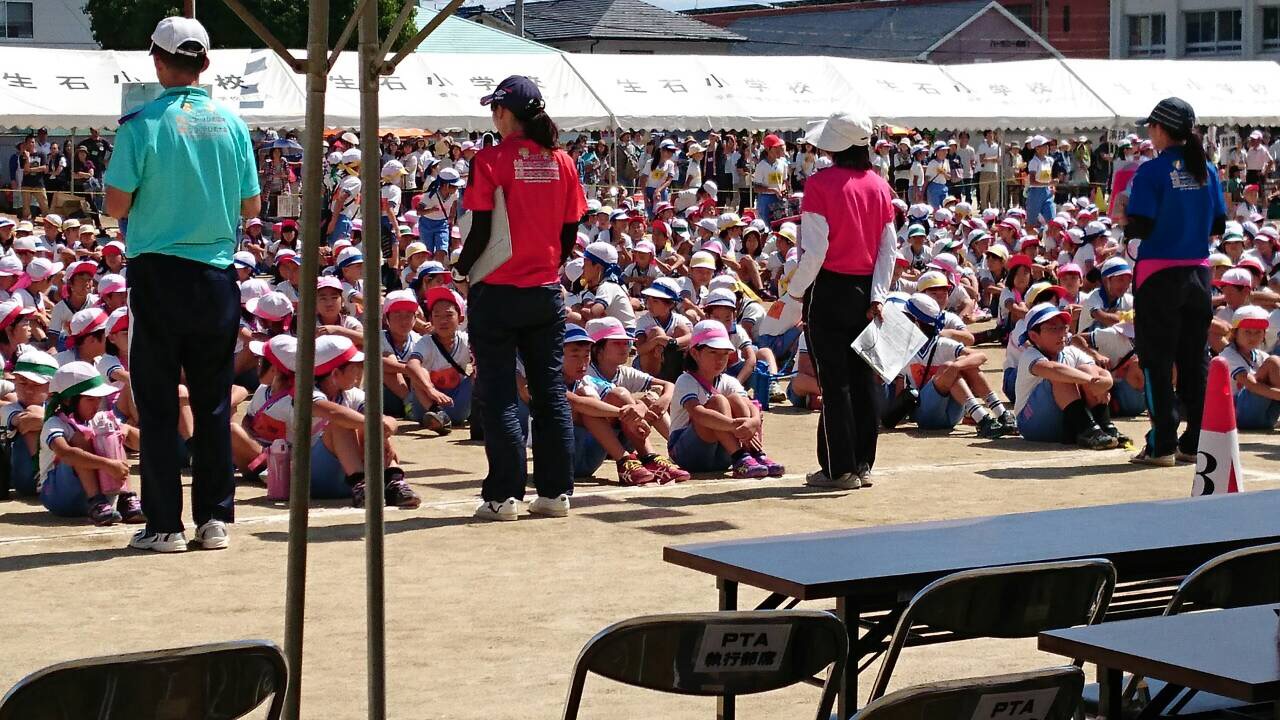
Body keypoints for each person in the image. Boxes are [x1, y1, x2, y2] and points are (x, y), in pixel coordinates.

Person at [104, 16, 260, 552]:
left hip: (158, 271)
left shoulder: (140, 124)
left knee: (158, 402)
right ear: (206, 63)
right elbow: (252, 204)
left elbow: (115, 205)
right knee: (213, 399)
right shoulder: (233, 125)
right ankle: (215, 517)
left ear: (157, 59)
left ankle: (164, 524)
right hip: (217, 272)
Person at [455, 75, 586, 521]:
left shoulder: (489, 159)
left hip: (497, 288)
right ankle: (555, 493)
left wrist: (460, 269)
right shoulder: (564, 162)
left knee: (499, 393)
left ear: (503, 112)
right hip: (545, 289)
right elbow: (570, 231)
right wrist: (547, 263)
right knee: (550, 391)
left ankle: (503, 496)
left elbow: (481, 230)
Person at [779, 112, 896, 490]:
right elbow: (887, 250)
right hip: (865, 289)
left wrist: (795, 293)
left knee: (835, 382)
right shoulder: (879, 186)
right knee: (864, 379)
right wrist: (878, 295)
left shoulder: (820, 184)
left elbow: (815, 251)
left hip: (828, 289)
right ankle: (861, 463)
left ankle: (837, 468)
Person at [1125, 98, 1226, 466]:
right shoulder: (1208, 170)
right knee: (1194, 358)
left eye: (1150, 127)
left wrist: (1126, 221)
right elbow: (1218, 225)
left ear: (1160, 129)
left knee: (1155, 359)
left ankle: (1162, 443)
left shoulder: (1150, 172)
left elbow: (1140, 227)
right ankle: (1193, 440)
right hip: (1199, 272)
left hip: (1158, 274)